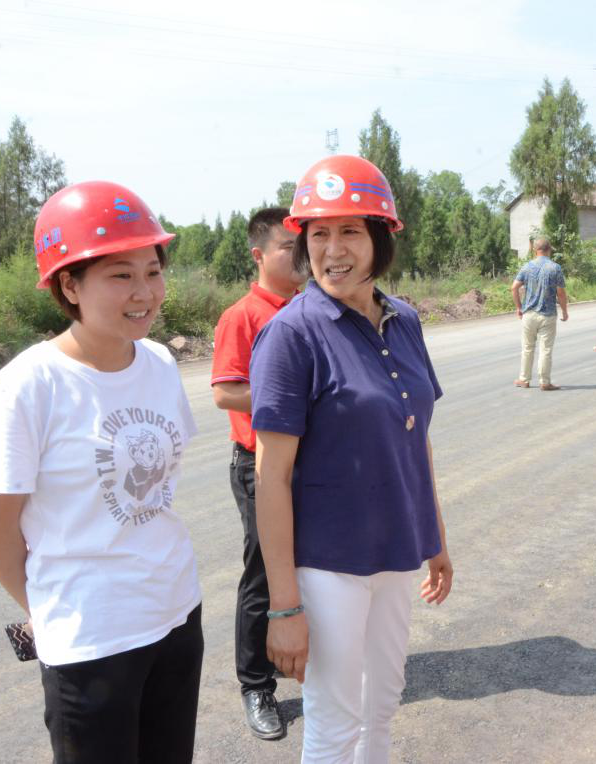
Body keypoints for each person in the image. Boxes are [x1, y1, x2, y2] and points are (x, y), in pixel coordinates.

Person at [0, 181, 203, 762]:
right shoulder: (30, 387)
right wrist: (48, 607)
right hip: (90, 639)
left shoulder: (159, 362)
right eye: (121, 275)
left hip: (177, 614)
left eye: (153, 271)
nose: (144, 292)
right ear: (69, 285)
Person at [248, 155, 453, 763]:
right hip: (328, 564)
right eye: (318, 234)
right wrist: (284, 605)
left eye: (350, 232)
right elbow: (270, 478)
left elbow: (416, 440)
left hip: (395, 552)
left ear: (380, 238)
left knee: (382, 705)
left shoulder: (404, 320)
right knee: (335, 724)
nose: (332, 250)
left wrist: (435, 538)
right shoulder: (292, 335)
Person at [211, 207, 307, 740]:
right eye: (288, 249)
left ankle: (303, 659)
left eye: (302, 246)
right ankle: (256, 686)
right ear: (258, 255)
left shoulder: (310, 308)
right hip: (258, 464)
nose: (300, 258)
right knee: (264, 574)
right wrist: (296, 395)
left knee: (306, 565)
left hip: (305, 459)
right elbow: (226, 392)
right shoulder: (243, 316)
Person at [511, 237, 568, 391]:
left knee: (527, 348)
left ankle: (524, 379)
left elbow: (514, 288)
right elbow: (561, 293)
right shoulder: (555, 268)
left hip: (529, 314)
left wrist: (519, 307)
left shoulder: (527, 267)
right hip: (547, 315)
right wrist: (564, 311)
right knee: (545, 350)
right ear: (549, 250)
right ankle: (545, 382)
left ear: (535, 250)